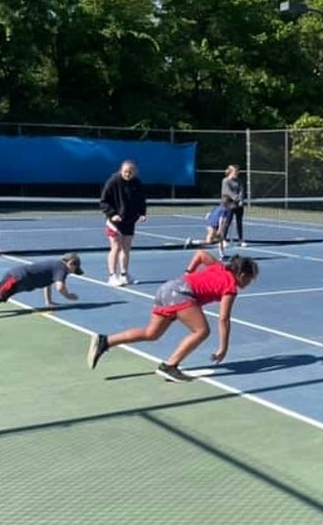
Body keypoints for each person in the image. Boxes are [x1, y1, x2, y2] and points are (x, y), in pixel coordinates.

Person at [87, 251, 259, 382]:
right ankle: (169, 366)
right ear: (242, 275)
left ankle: (105, 341)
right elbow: (224, 318)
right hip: (181, 294)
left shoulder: (219, 266)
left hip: (167, 288)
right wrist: (224, 347)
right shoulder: (230, 286)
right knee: (202, 331)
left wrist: (188, 272)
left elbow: (200, 254)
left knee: (151, 333)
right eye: (250, 280)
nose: (249, 284)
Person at [100, 160, 147, 286]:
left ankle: (124, 275)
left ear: (135, 172)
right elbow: (103, 201)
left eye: (130, 172)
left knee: (126, 249)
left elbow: (141, 199)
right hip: (114, 222)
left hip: (129, 220)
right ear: (121, 170)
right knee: (116, 247)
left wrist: (142, 213)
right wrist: (112, 214)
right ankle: (112, 276)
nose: (127, 174)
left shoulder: (137, 182)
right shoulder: (113, 181)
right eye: (125, 172)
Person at [218, 164, 247, 252]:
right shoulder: (225, 181)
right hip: (228, 203)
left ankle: (240, 240)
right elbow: (227, 192)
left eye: (237, 172)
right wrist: (236, 198)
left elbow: (241, 190)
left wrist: (241, 200)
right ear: (231, 172)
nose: (237, 173)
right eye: (235, 172)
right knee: (227, 221)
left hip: (238, 204)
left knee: (239, 222)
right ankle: (223, 240)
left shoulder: (239, 181)